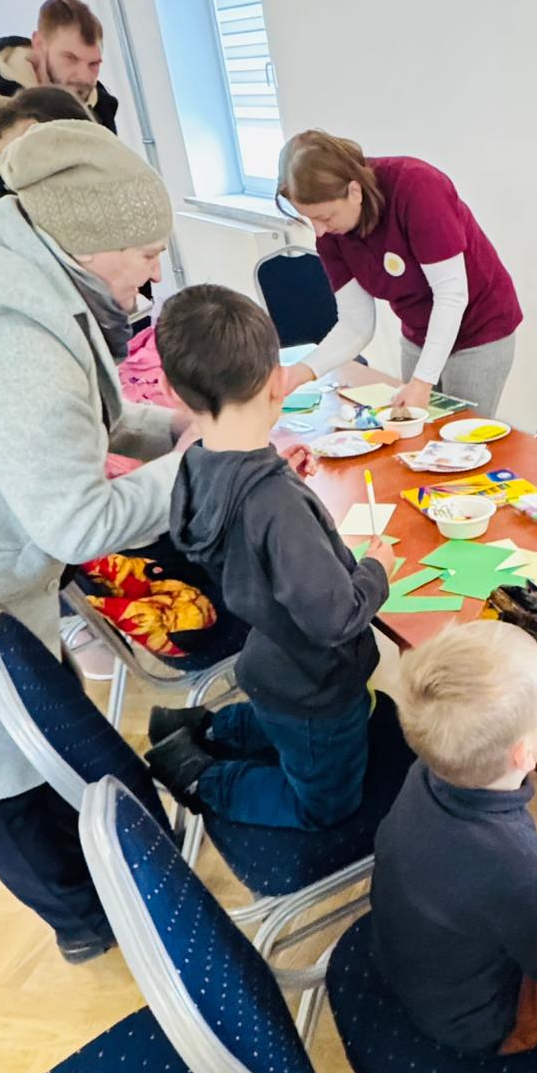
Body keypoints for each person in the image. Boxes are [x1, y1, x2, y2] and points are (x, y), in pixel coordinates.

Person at [0, 120, 180, 962]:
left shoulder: (35, 265)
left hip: (13, 572)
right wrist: (201, 466)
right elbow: (76, 522)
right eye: (146, 253)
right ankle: (85, 923)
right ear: (93, 242)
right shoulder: (18, 339)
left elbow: (86, 418)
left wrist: (170, 431)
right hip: (6, 572)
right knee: (8, 767)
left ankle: (98, 885)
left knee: (48, 728)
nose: (153, 274)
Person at [145, 284, 400, 830]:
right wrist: (377, 569)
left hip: (272, 661)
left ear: (171, 392)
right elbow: (336, 618)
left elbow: (241, 520)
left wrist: (275, 470)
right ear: (278, 382)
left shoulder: (198, 463)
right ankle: (201, 776)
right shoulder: (275, 505)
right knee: (324, 804)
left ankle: (204, 727)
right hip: (314, 686)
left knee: (284, 724)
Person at [370, 620, 537, 1053]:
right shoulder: (520, 868)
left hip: (420, 963)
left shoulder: (426, 774)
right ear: (523, 753)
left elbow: (483, 869)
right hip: (480, 1019)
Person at [276, 129, 523, 417]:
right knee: (414, 428)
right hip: (419, 332)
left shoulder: (417, 187)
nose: (320, 231)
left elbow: (451, 295)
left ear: (354, 191)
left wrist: (422, 381)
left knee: (460, 434)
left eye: (325, 217)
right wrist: (299, 372)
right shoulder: (332, 235)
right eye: (310, 219)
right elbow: (356, 324)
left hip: (478, 327)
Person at [0, 0, 117, 201]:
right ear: (40, 45)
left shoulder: (101, 108)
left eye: (93, 64)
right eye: (70, 58)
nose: (84, 77)